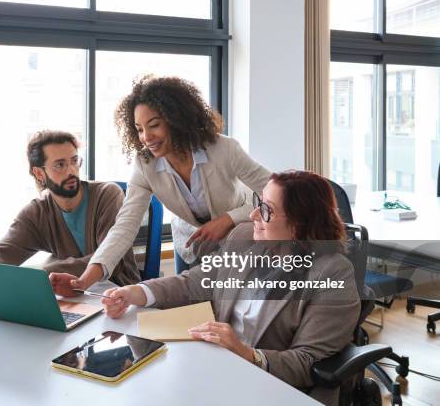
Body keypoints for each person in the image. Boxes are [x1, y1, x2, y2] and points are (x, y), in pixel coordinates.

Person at [101, 171, 361, 405]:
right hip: (219, 367)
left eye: (266, 210)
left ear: (299, 224)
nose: (253, 215)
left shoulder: (332, 273)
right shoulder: (244, 238)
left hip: (272, 385)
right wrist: (138, 292)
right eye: (257, 203)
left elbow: (307, 362)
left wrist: (247, 354)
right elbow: (195, 281)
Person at [50, 75, 270, 296]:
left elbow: (275, 193)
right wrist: (85, 280)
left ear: (177, 120)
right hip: (190, 243)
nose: (146, 137)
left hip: (240, 237)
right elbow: (125, 225)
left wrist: (228, 219)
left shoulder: (223, 149)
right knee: (189, 307)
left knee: (230, 307)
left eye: (154, 125)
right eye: (139, 129)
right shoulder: (145, 164)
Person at [0, 130, 140, 287]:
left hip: (118, 295)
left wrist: (46, 272)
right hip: (71, 299)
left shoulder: (107, 195)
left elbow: (112, 259)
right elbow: (3, 251)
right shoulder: (37, 212)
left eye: (74, 161)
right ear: (39, 173)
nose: (71, 171)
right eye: (60, 165)